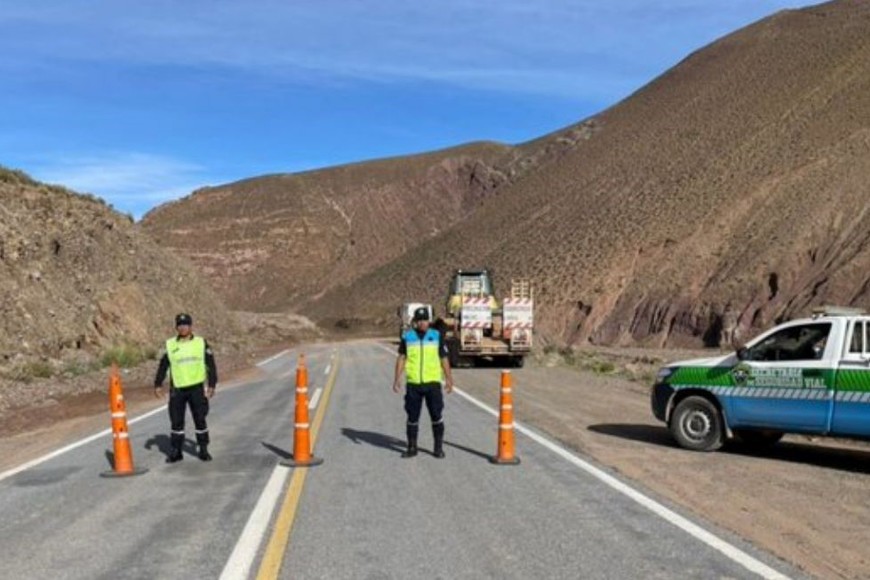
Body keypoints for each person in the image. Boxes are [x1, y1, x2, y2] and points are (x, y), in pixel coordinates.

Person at [154, 313, 218, 463]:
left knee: (200, 419)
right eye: (180, 325)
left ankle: (203, 449)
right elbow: (163, 366)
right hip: (177, 390)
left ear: (190, 326)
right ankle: (176, 451)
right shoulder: (170, 345)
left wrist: (212, 384)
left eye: (185, 325)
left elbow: (211, 365)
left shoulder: (201, 343)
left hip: (196, 388)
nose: (182, 328)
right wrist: (158, 384)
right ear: (176, 327)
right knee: (176, 422)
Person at [392, 306, 454, 458]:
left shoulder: (436, 336)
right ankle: (412, 447)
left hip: (432, 383)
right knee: (412, 417)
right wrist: (397, 378)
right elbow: (401, 358)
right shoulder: (408, 337)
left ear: (429, 320)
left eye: (425, 320)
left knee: (436, 416)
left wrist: (449, 378)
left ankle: (438, 448)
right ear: (415, 322)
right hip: (414, 384)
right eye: (419, 320)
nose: (422, 323)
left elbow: (444, 358)